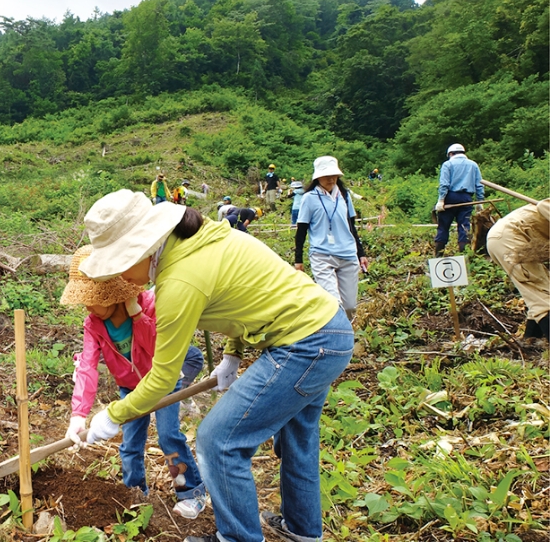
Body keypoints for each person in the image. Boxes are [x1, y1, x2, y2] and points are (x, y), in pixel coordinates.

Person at [77, 190, 354, 542]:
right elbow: (247, 299)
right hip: (326, 329)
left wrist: (114, 414)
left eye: (118, 266)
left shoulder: (179, 281)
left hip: (305, 344)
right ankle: (301, 532)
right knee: (297, 438)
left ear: (140, 248)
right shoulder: (205, 238)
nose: (122, 279)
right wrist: (233, 354)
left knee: (218, 440)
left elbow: (162, 377)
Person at [62, 245, 208, 519]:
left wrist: (138, 316)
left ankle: (191, 492)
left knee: (169, 437)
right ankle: (133, 491)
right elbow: (87, 367)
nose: (88, 305)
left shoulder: (151, 306)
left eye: (94, 298)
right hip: (129, 387)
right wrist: (78, 414)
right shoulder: (93, 324)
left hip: (162, 382)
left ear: (114, 294)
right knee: (130, 444)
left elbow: (158, 347)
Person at [294, 156, 369, 322]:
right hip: (322, 255)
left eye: (334, 175)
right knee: (333, 303)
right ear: (317, 177)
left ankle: (345, 336)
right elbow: (301, 231)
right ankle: (333, 341)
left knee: (350, 307)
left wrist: (361, 253)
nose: (331, 179)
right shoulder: (309, 198)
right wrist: (298, 259)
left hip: (348, 254)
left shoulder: (344, 195)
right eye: (326, 175)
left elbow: (351, 226)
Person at [486, 199, 549, 340]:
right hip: (510, 239)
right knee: (542, 295)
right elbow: (543, 206)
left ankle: (531, 339)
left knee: (539, 291)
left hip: (514, 240)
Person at [434, 143, 484, 256]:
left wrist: (441, 200)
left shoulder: (448, 164)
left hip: (450, 197)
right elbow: (479, 185)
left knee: (443, 227)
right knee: (464, 227)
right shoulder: (473, 165)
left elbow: (444, 184)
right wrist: (479, 202)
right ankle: (463, 257)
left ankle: (438, 257)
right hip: (466, 199)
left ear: (451, 154)